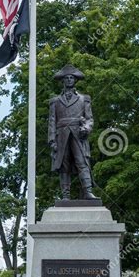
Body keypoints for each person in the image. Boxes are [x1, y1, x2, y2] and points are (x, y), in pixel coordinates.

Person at [48, 64, 97, 200]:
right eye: (66, 78)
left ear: (75, 80)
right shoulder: (55, 101)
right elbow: (52, 121)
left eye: (71, 78)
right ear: (63, 80)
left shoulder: (84, 99)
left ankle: (87, 192)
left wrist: (86, 128)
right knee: (64, 165)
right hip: (61, 135)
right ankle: (65, 195)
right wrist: (52, 140)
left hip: (78, 134)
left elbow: (89, 119)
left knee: (82, 162)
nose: (69, 80)